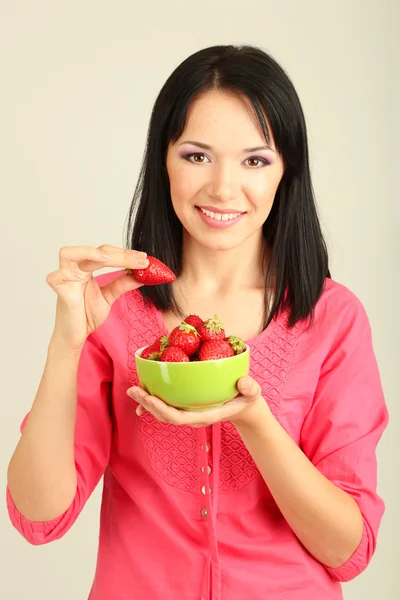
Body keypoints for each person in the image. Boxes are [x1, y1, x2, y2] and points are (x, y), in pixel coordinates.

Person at [6, 44, 388, 600]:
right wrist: (66, 345)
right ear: (163, 159)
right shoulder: (113, 312)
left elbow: (348, 551)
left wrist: (256, 421)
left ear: (287, 170)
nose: (224, 189)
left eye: (255, 160)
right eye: (196, 156)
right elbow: (39, 517)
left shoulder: (333, 318)